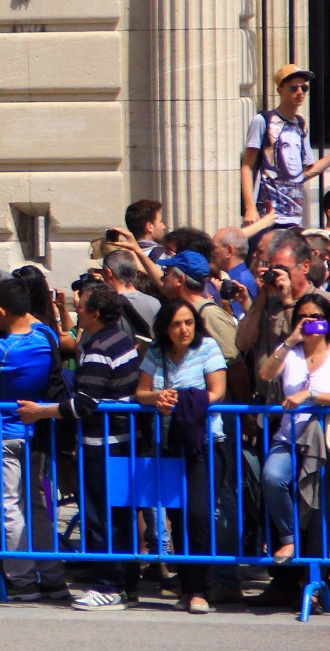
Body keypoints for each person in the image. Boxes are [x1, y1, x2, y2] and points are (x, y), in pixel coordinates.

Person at [18, 283, 142, 611]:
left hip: (103, 443)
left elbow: (83, 404)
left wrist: (39, 412)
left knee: (101, 516)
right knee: (117, 515)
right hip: (119, 441)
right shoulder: (118, 339)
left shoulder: (101, 347)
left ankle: (108, 586)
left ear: (96, 313)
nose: (77, 311)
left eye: (82, 307)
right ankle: (125, 583)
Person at [0, 276, 66, 601]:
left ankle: (21, 579)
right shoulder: (46, 336)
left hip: (3, 436)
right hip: (36, 433)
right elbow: (30, 322)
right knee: (35, 505)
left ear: (0, 311)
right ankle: (51, 575)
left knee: (10, 506)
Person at [137, 296, 229, 614]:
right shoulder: (156, 351)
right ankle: (187, 586)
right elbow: (141, 392)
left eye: (189, 322)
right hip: (169, 444)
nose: (184, 329)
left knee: (200, 515)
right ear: (165, 327)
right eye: (176, 324)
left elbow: (217, 391)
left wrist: (186, 400)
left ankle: (200, 590)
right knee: (177, 518)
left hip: (205, 443)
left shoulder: (208, 348)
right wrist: (157, 397)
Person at [256, 290, 330, 564]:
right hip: (288, 437)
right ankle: (288, 539)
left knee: (320, 507)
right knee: (273, 477)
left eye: (317, 317)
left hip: (324, 439)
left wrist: (309, 396)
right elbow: (265, 374)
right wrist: (289, 341)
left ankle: (316, 575)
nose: (310, 322)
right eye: (303, 317)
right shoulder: (290, 351)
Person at [243, 64, 328, 228]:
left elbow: (303, 173)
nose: (300, 92)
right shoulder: (263, 121)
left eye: (304, 88)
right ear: (280, 90)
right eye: (293, 88)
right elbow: (247, 166)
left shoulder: (301, 125)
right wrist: (250, 207)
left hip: (294, 216)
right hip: (267, 215)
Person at [237, 228, 316, 403]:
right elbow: (243, 343)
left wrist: (288, 301)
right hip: (268, 408)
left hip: (304, 406)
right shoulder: (268, 303)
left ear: (305, 266)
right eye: (274, 269)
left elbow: (306, 346)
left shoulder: (321, 302)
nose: (278, 275)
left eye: (284, 269)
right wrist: (262, 296)